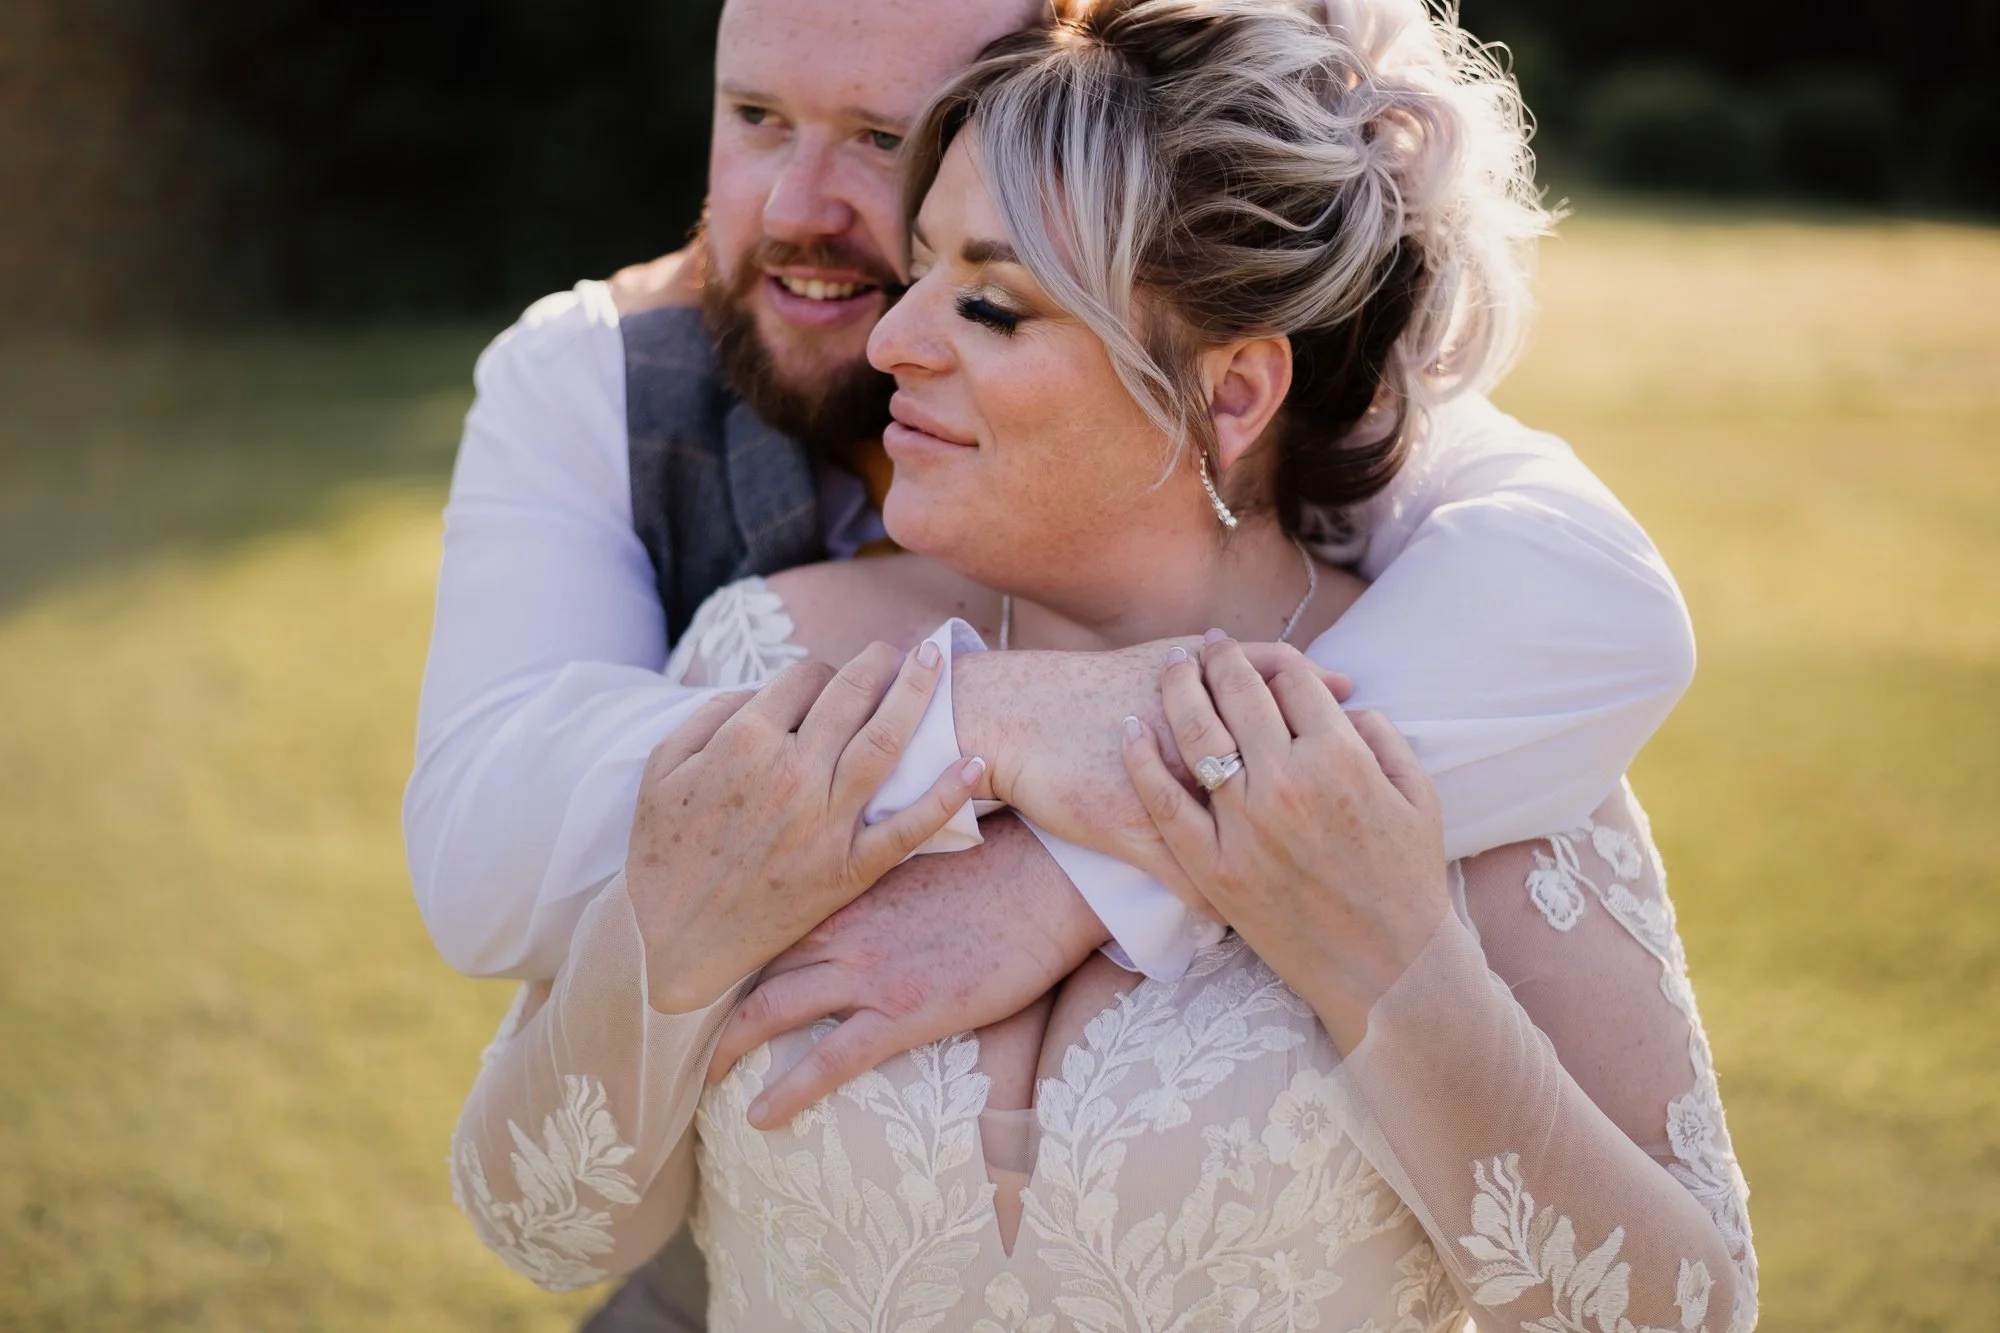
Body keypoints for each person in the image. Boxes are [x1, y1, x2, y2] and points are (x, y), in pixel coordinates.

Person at [442, 2, 1757, 1329]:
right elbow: (542, 1223)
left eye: (992, 304)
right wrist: (666, 941)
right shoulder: (775, 658)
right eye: (919, 269)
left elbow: (1682, 1313)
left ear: (1231, 394)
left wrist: (1395, 973)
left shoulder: (1457, 714)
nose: (893, 342)